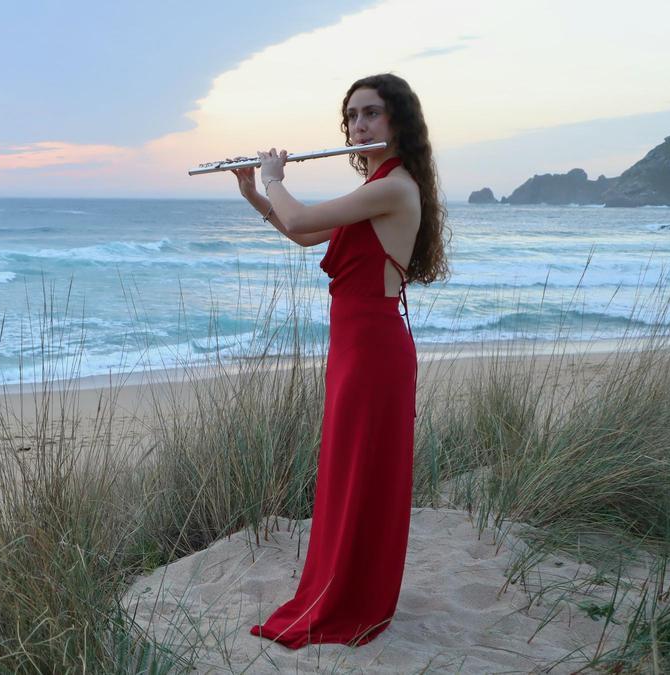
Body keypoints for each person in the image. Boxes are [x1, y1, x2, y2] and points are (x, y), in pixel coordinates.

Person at [230, 73, 449, 648]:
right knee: (347, 472)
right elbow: (306, 236)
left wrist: (277, 178)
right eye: (352, 116)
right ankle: (343, 587)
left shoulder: (396, 186)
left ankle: (356, 598)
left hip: (374, 352)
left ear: (398, 121)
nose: (358, 125)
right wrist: (256, 193)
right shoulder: (377, 186)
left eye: (371, 114)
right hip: (355, 351)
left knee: (362, 475)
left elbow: (302, 219)